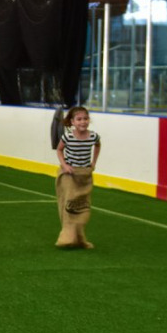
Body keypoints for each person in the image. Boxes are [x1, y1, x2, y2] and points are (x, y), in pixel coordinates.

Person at [54, 105, 100, 249]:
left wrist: (93, 162)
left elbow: (98, 145)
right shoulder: (67, 136)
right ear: (72, 122)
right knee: (69, 205)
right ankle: (66, 236)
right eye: (79, 119)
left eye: (85, 119)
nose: (83, 122)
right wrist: (64, 165)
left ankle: (80, 238)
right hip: (69, 174)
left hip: (84, 175)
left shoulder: (93, 136)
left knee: (82, 207)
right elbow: (59, 150)